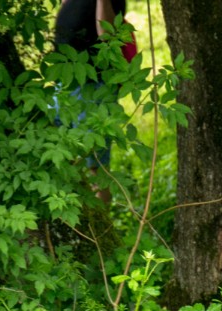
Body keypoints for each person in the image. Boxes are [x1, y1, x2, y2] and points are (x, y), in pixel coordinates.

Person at [53, 0, 137, 203]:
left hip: (94, 86)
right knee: (62, 155)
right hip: (65, 81)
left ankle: (100, 218)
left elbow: (107, 35)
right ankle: (78, 211)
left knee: (96, 166)